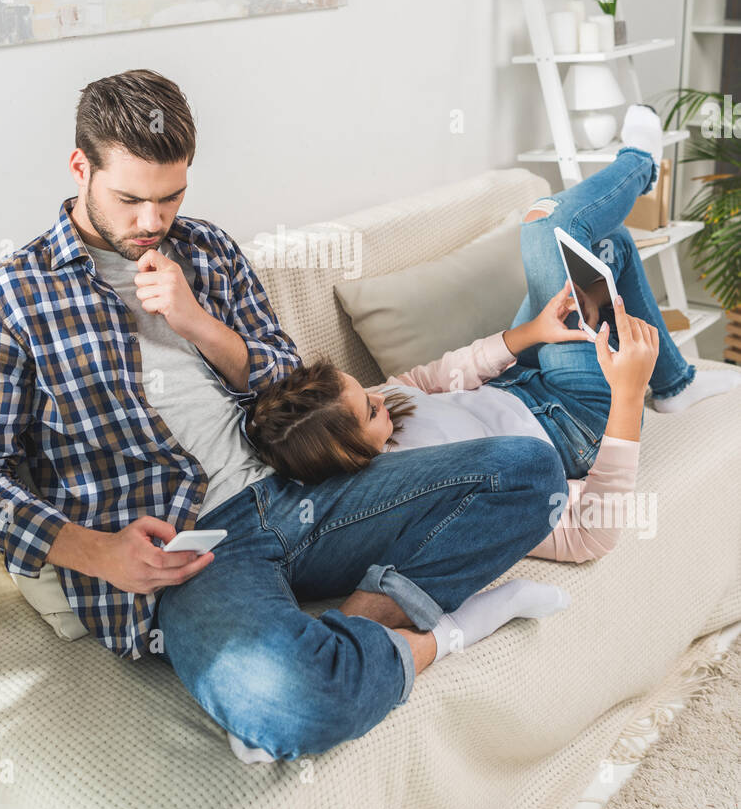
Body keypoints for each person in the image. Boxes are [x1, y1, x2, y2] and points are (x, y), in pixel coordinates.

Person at [0, 69, 568, 766]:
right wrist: (97, 553)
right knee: (296, 706)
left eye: (170, 196)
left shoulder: (206, 251)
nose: (152, 222)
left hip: (303, 493)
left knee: (531, 472)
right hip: (193, 553)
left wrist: (199, 324)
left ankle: (354, 630)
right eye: (129, 199)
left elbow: (295, 386)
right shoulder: (3, 301)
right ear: (80, 167)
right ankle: (437, 638)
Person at [248, 108, 741, 598]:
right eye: (371, 408)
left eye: (366, 392)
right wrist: (630, 398)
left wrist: (528, 334)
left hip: (518, 378)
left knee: (606, 247)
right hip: (573, 421)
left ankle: (677, 385)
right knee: (544, 224)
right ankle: (640, 165)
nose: (381, 397)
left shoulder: (363, 404)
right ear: (352, 457)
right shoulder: (415, 495)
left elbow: (430, 378)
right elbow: (587, 534)